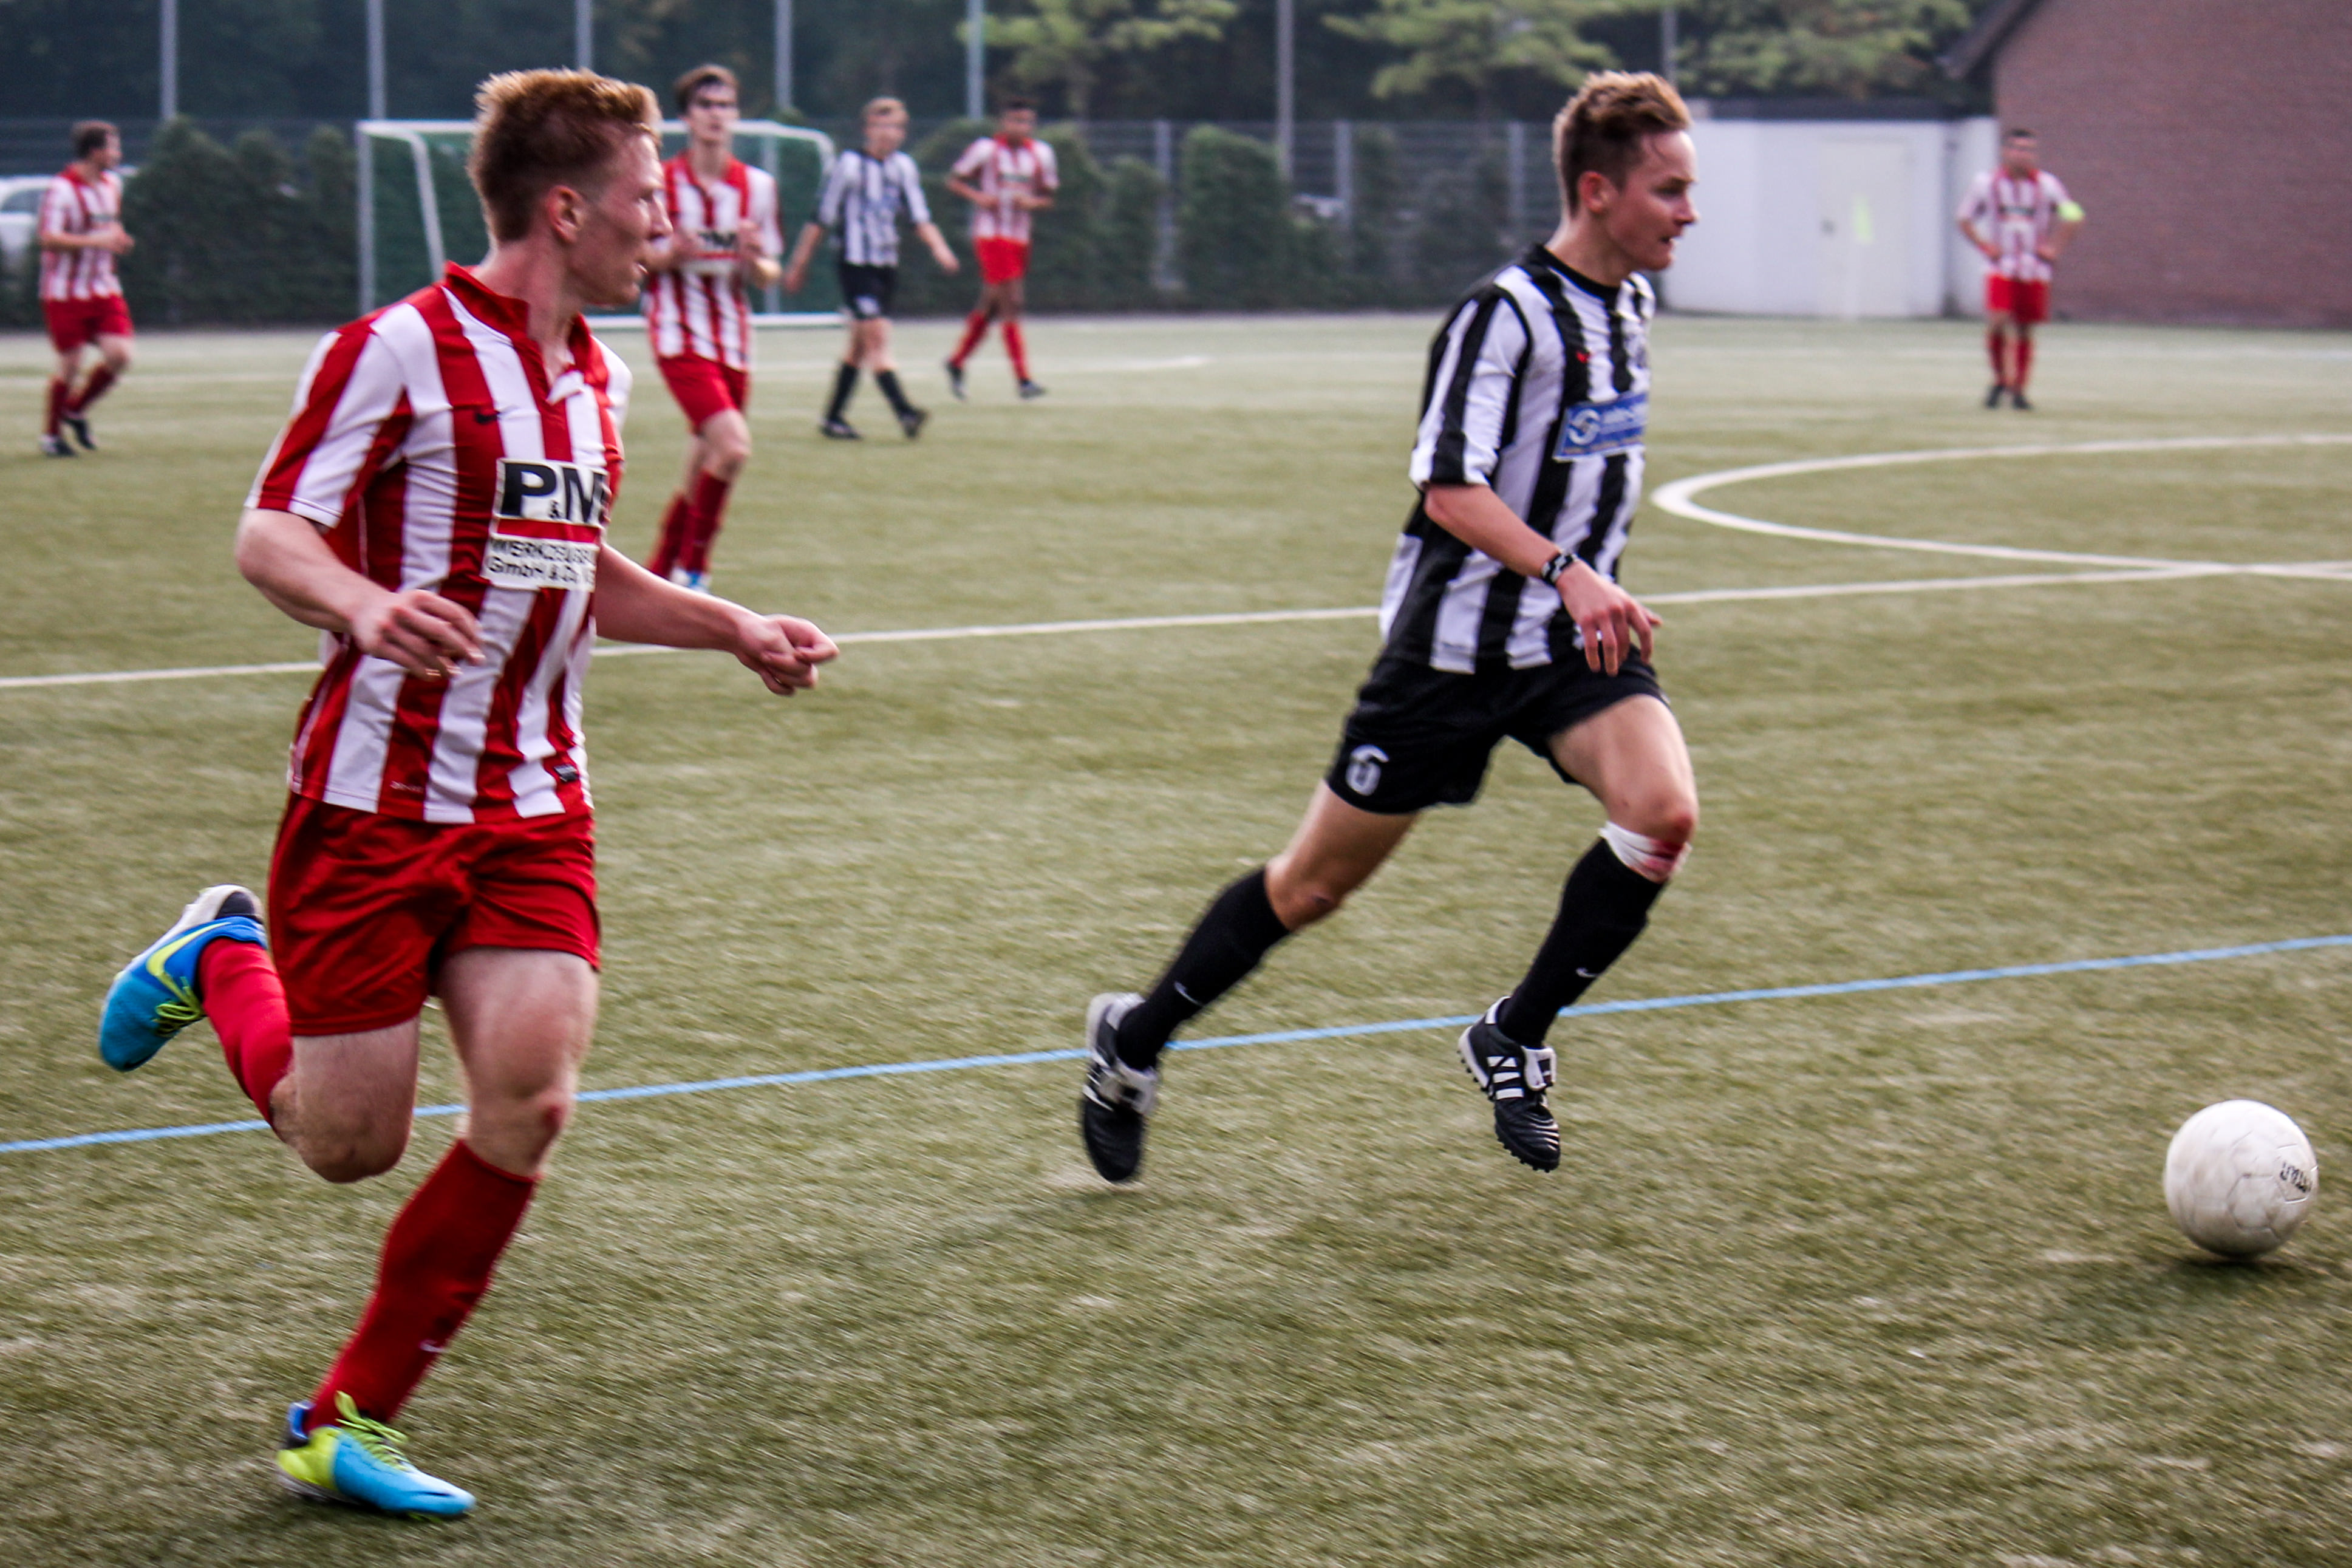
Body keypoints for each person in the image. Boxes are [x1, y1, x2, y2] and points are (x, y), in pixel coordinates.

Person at [95, 68, 837, 1518]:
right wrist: (364, 604)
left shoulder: (596, 375)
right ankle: (221, 955)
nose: (663, 223)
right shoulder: (397, 349)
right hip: (372, 803)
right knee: (346, 1141)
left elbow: (577, 570)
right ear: (565, 209)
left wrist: (732, 625)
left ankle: (347, 1418)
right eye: (643, 200)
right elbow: (270, 533)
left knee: (532, 1095)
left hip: (534, 803)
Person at [1079, 72, 1701, 1185]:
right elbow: (1450, 490)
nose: (1688, 212)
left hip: (1567, 646)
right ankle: (1133, 1042)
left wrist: (1581, 588)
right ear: (1598, 191)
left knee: (1662, 815)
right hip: (1449, 653)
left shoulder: (1631, 308)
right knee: (1311, 888)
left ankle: (1512, 1033)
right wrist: (1571, 573)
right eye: (1669, 190)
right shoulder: (1503, 315)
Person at [641, 64, 783, 591]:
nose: (716, 115)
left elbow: (769, 273)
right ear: (686, 117)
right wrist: (668, 257)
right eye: (705, 105)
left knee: (703, 461)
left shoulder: (758, 187)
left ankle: (658, 574)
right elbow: (636, 258)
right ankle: (696, 571)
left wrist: (754, 258)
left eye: (725, 105)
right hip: (678, 335)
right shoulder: (660, 183)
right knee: (734, 448)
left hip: (734, 341)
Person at [784, 96, 961, 441]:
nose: (889, 133)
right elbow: (821, 218)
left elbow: (919, 216)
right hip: (855, 265)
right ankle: (905, 412)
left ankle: (834, 418)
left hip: (885, 266)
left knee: (860, 346)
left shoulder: (903, 168)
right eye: (882, 126)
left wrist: (940, 248)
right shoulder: (848, 166)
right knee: (877, 337)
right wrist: (799, 263)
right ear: (867, 129)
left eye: (896, 127)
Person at [1957, 129, 2082, 411]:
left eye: (2029, 150)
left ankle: (2019, 390)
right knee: (1998, 320)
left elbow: (2074, 215)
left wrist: (2054, 248)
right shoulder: (1986, 183)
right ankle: (2000, 379)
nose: (2024, 155)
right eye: (2018, 148)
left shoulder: (2047, 185)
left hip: (2034, 268)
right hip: (2001, 266)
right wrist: (1984, 245)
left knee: (2025, 328)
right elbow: (1964, 218)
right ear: (2006, 152)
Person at [943, 98, 1057, 402]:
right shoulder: (986, 150)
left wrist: (1032, 203)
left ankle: (956, 362)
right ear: (1003, 122)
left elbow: (1048, 198)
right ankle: (1023, 380)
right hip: (991, 235)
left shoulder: (1042, 154)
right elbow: (954, 181)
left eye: (1027, 122)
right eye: (1016, 121)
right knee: (1013, 301)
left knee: (993, 306)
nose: (1022, 127)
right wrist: (978, 198)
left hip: (1020, 238)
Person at [36, 120, 135, 458]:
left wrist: (118, 240)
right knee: (71, 363)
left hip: (103, 287)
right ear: (95, 152)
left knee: (120, 355)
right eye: (113, 147)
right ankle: (51, 437)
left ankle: (75, 410)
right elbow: (48, 238)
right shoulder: (62, 189)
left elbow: (110, 227)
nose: (118, 154)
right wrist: (97, 241)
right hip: (64, 292)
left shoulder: (112, 185)